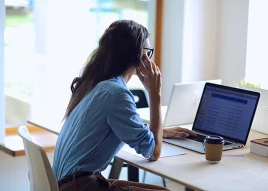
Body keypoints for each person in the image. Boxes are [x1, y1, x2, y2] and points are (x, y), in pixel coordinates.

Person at [52, 20, 196, 191]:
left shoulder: (96, 84)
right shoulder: (117, 93)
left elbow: (120, 128)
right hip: (81, 186)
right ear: (137, 57)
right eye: (147, 53)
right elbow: (153, 152)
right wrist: (155, 94)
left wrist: (159, 133)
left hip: (70, 183)